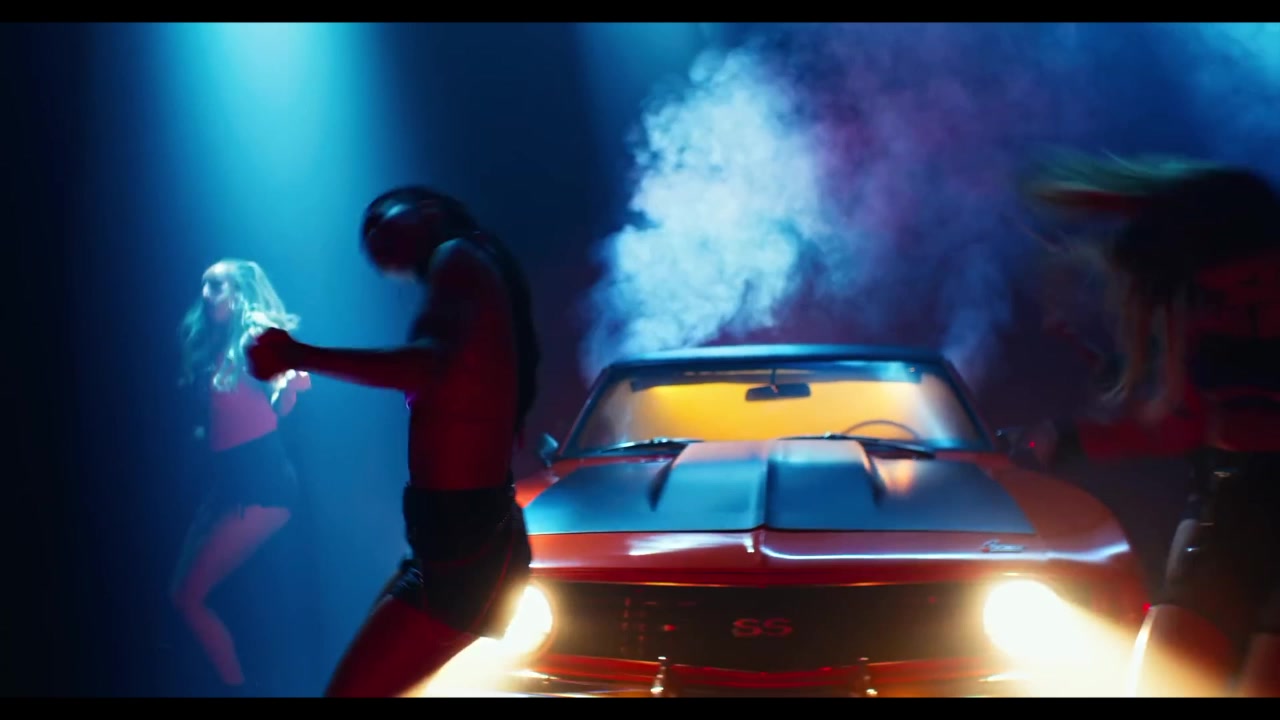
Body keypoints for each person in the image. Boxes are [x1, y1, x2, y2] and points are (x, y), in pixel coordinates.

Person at [245, 186, 540, 698]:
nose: (371, 236)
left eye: (381, 218)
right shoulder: (469, 266)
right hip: (452, 547)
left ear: (429, 209)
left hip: (468, 550)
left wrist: (297, 354)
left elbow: (429, 366)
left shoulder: (458, 255)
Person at [1018, 152, 1280, 697]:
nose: (1240, 303)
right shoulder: (1195, 306)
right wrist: (1073, 440)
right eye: (1221, 293)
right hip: (1227, 510)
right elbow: (1183, 424)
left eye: (1255, 280)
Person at [171, 258, 312, 693]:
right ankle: (237, 683)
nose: (205, 295)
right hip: (226, 483)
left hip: (261, 482)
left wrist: (288, 386)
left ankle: (238, 688)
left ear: (239, 294)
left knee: (189, 596)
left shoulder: (253, 337)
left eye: (216, 286)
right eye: (203, 285)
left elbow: (283, 395)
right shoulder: (214, 346)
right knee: (181, 595)